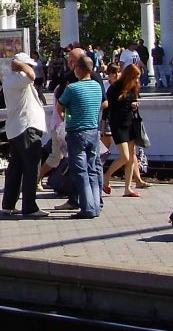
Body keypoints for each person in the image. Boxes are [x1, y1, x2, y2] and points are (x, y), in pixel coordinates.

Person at [56, 50, 104, 219]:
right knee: (92, 170)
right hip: (93, 132)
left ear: (79, 68)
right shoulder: (97, 86)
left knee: (81, 172)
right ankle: (96, 205)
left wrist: (65, 116)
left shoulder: (73, 88)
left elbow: (59, 106)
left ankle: (87, 208)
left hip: (77, 132)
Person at [1, 52, 46, 217]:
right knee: (31, 168)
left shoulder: (11, 80)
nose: (32, 67)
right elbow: (32, 75)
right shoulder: (19, 79)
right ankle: (30, 206)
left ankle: (8, 204)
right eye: (29, 65)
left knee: (15, 168)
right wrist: (20, 64)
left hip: (16, 129)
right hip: (26, 128)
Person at [103, 63, 145, 197]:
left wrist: (134, 106)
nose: (136, 80)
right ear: (128, 75)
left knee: (131, 157)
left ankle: (128, 188)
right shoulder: (114, 88)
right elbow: (109, 108)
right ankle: (107, 176)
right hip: (118, 124)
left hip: (130, 123)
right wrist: (104, 124)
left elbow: (133, 102)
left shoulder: (134, 87)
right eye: (135, 77)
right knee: (125, 156)